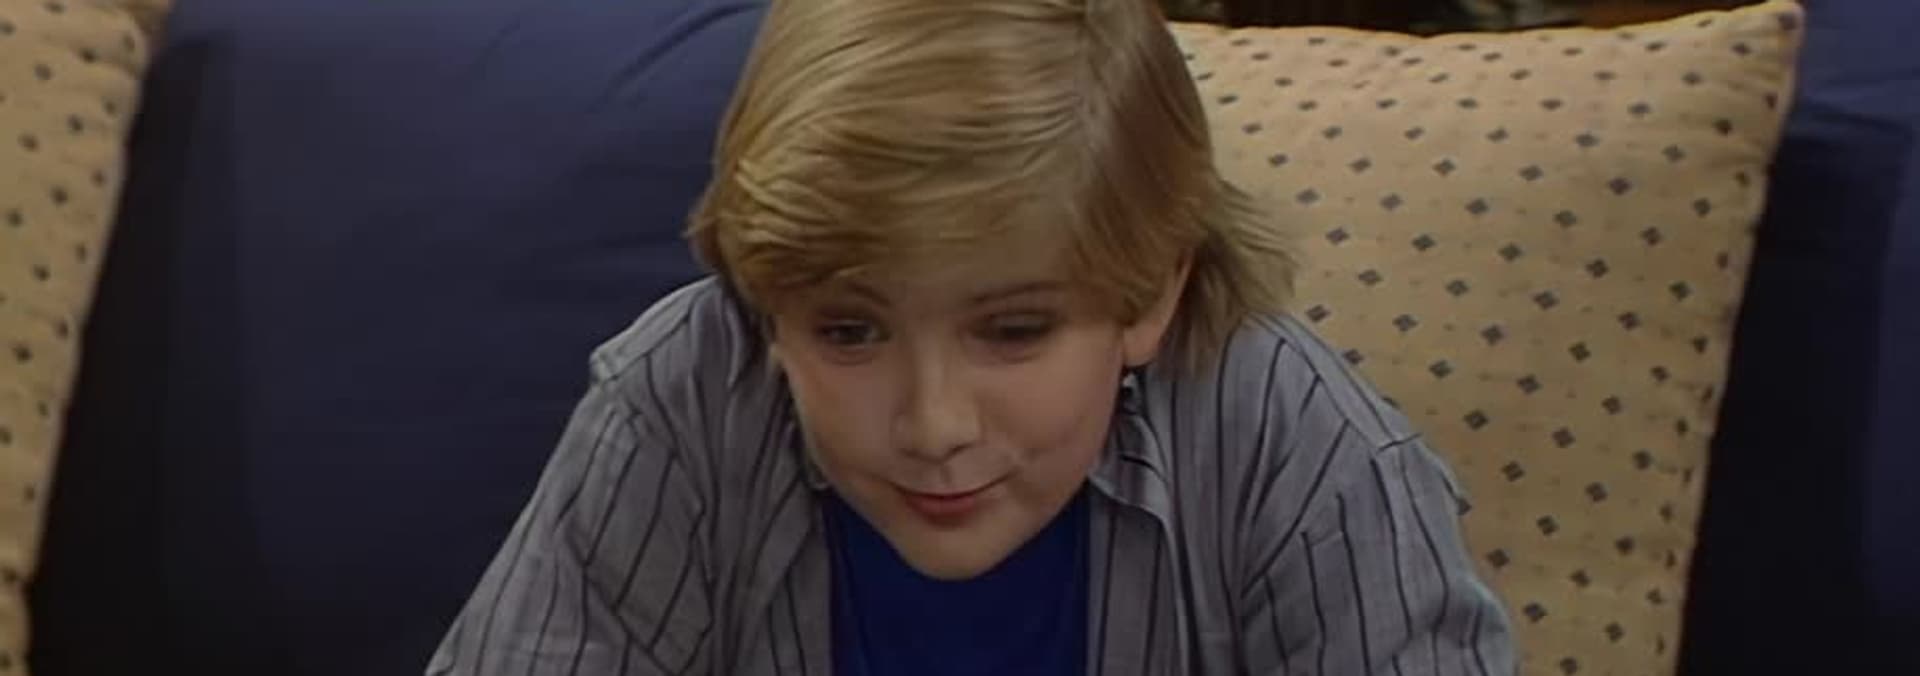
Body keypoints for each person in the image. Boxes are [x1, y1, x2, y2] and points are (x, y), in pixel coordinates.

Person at [428, 0, 1513, 673]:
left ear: (1151, 293)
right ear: (765, 309)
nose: (934, 425)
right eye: (849, 330)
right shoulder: (684, 395)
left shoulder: (1299, 446)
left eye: (1014, 330)